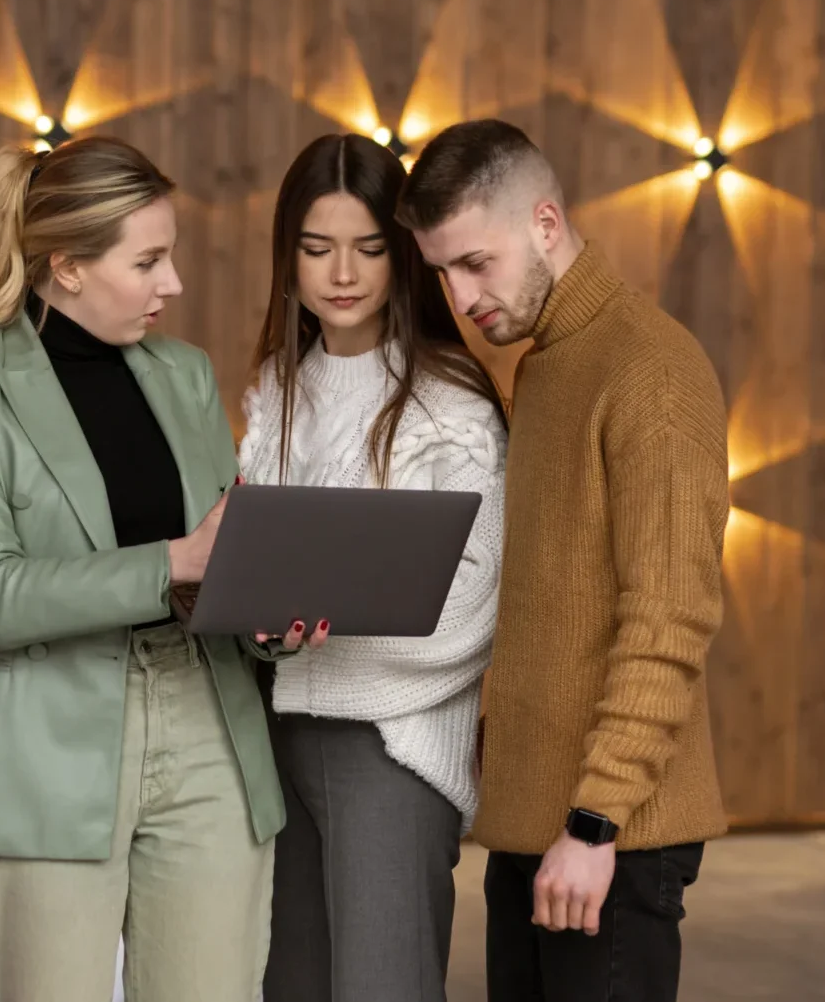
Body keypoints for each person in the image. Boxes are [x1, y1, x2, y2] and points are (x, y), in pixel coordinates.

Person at [0, 136, 297, 1002]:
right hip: (44, 739)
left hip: (208, 726)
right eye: (147, 260)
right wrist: (176, 560)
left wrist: (266, 608)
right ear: (68, 266)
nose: (174, 284)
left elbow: (218, 556)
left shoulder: (186, 375)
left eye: (171, 256)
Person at [396, 119, 730, 1002]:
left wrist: (595, 819)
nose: (462, 297)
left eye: (476, 263)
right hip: (535, 829)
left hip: (610, 835)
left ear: (545, 224)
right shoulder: (542, 367)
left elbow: (669, 614)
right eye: (441, 271)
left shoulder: (649, 370)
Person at [240, 132, 508, 1002]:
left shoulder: (452, 399)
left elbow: (475, 605)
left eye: (368, 248)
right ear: (289, 257)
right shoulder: (273, 390)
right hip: (274, 738)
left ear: (404, 257)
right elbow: (251, 571)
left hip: (394, 747)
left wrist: (334, 649)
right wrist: (271, 635)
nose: (342, 273)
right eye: (317, 249)